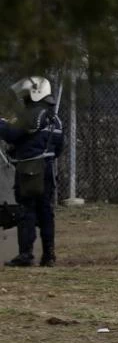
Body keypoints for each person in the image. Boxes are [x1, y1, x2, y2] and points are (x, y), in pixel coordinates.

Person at [0, 77, 64, 267]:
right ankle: (49, 254)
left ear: (36, 94)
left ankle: (26, 254)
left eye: (26, 95)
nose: (24, 99)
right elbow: (59, 146)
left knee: (26, 210)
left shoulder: (33, 114)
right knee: (46, 211)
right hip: (48, 169)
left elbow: (12, 134)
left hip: (30, 171)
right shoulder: (55, 118)